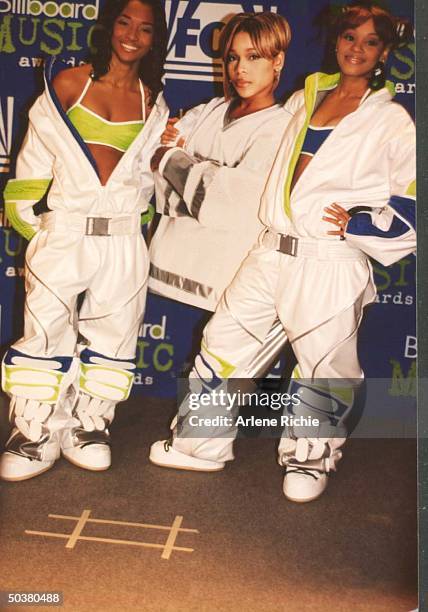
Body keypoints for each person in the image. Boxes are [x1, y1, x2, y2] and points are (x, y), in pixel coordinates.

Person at [149, 2, 415, 503]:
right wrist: (174, 139)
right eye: (349, 38)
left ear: (384, 52)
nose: (356, 48)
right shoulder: (306, 97)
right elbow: (227, 133)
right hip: (271, 250)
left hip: (328, 260)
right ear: (336, 41)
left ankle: (310, 460)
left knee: (322, 366)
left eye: (370, 42)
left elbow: (413, 195)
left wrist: (365, 226)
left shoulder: (392, 120)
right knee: (225, 343)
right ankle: (202, 444)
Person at [1, 0, 169, 481]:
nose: (132, 35)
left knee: (114, 337)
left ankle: (88, 425)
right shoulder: (69, 82)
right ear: (108, 25)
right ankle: (33, 432)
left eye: (145, 28)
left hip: (121, 240)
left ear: (155, 38)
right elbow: (32, 164)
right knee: (44, 331)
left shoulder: (152, 99)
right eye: (124, 22)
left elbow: (147, 178)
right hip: (67, 233)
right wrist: (40, 230)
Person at [148, 11, 292, 379]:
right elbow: (161, 185)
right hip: (174, 264)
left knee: (222, 371)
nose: (240, 68)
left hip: (230, 275)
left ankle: (200, 437)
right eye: (233, 57)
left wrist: (173, 160)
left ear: (277, 61)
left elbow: (228, 205)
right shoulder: (210, 110)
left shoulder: (280, 126)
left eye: (254, 56)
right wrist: (189, 169)